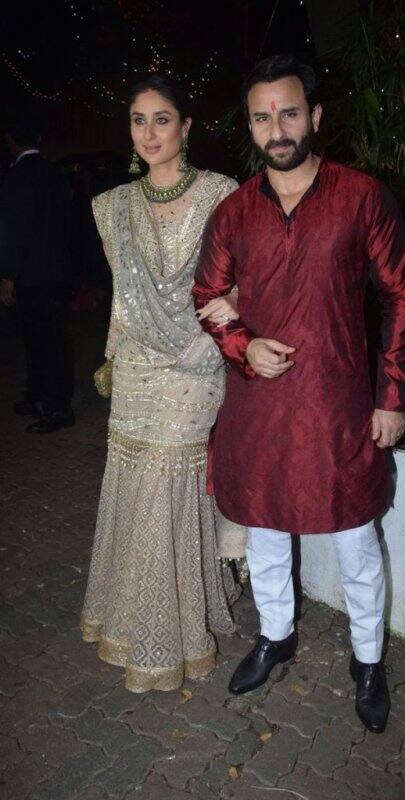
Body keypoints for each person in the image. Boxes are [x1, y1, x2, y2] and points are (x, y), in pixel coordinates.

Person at [193, 54, 405, 733]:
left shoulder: (362, 196)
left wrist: (393, 395)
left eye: (289, 112)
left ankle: (369, 659)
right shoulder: (234, 212)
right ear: (252, 127)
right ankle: (275, 636)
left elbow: (402, 294)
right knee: (265, 531)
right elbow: (207, 294)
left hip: (339, 403)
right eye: (263, 116)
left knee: (356, 539)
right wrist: (242, 343)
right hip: (261, 405)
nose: (277, 127)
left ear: (314, 116)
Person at [81, 75, 245, 693]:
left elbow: (240, 281)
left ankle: (171, 629)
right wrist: (116, 358)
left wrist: (218, 340)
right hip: (138, 371)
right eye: (139, 120)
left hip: (197, 362)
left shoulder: (222, 196)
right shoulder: (111, 206)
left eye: (162, 119)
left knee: (170, 484)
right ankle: (134, 619)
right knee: (135, 480)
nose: (149, 133)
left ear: (187, 126)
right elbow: (123, 298)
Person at [0, 114, 75, 433]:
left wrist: (8, 274)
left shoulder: (18, 176)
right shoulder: (54, 173)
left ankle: (57, 408)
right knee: (43, 339)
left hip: (33, 275)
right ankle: (38, 396)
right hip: (56, 271)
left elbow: (13, 229)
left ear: (10, 140)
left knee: (45, 341)